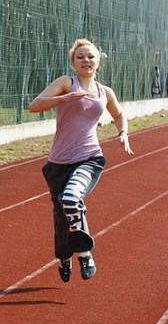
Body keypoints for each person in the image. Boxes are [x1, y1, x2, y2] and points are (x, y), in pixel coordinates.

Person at [28, 38, 133, 283]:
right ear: (73, 62)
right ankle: (65, 257)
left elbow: (118, 114)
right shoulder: (66, 83)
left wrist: (123, 134)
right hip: (57, 163)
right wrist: (63, 99)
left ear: (98, 62)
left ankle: (85, 254)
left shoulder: (104, 92)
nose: (86, 60)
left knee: (71, 198)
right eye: (80, 57)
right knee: (61, 214)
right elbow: (33, 106)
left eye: (90, 57)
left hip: (89, 157)